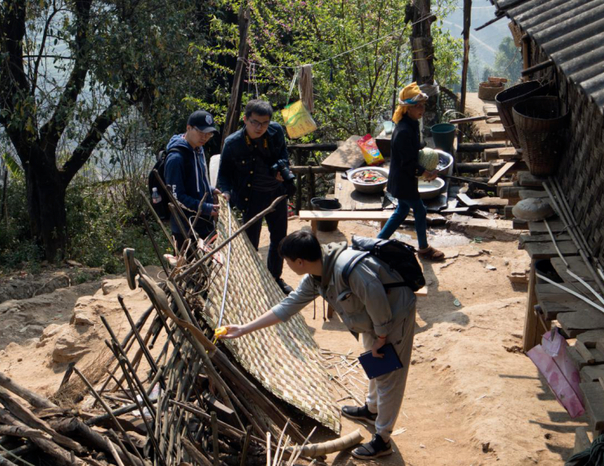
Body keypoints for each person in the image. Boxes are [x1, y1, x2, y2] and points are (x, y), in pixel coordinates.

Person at [220, 230, 416, 460]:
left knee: (388, 377)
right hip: (373, 320)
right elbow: (288, 306)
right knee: (376, 364)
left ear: (299, 262)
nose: (287, 265)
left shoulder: (348, 269)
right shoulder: (316, 276)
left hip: (394, 315)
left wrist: (381, 338)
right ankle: (372, 410)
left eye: (287, 261)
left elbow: (378, 301)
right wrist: (244, 328)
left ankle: (383, 439)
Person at [217, 100, 296, 295]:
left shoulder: (276, 132)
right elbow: (224, 175)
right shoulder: (233, 144)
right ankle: (250, 282)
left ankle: (275, 279)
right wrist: (225, 192)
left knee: (279, 239)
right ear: (245, 119)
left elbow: (283, 154)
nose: (260, 127)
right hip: (250, 197)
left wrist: (282, 168)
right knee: (250, 243)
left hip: (277, 194)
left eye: (264, 123)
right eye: (255, 122)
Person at [379, 82, 445, 261]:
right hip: (403, 179)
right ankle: (423, 248)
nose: (422, 109)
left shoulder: (412, 124)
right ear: (407, 108)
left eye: (422, 105)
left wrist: (428, 162)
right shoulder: (403, 131)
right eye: (418, 106)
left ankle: (377, 242)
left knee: (401, 211)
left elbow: (414, 150)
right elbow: (407, 162)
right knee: (420, 210)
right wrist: (425, 173)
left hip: (405, 177)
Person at [162, 110, 220, 251]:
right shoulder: (176, 158)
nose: (205, 137)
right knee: (188, 263)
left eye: (209, 134)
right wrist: (206, 208)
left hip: (204, 223)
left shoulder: (198, 150)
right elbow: (176, 197)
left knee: (211, 261)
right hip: (186, 228)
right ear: (188, 128)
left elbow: (198, 181)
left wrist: (211, 190)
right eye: (201, 132)